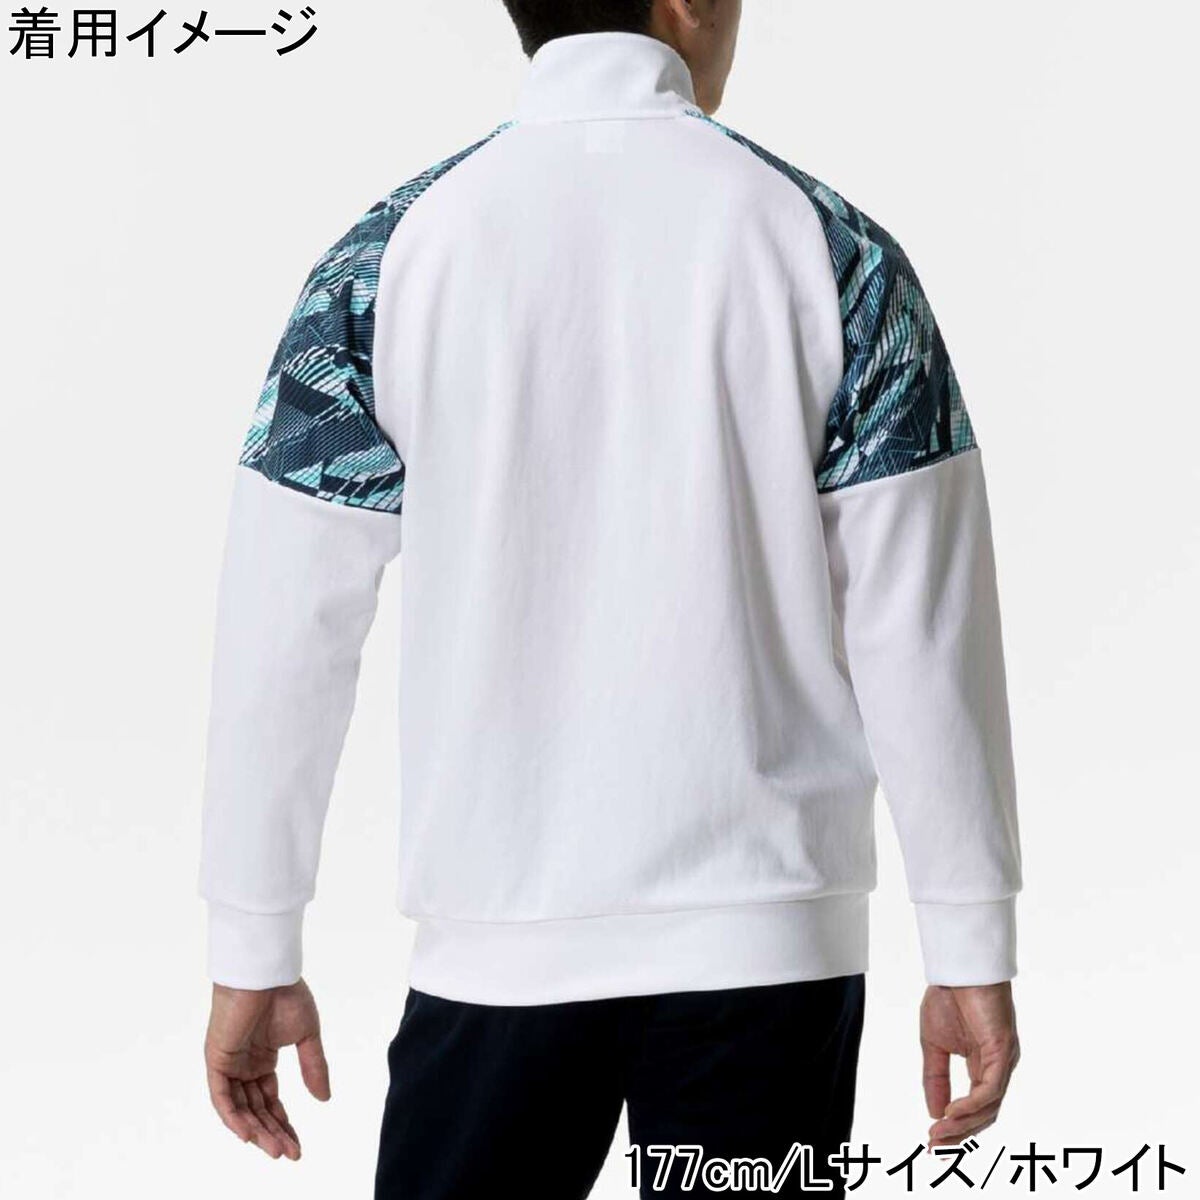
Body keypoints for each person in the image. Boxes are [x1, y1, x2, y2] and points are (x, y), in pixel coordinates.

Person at [198, 2, 1024, 1196]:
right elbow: (923, 627)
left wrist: (252, 940)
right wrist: (969, 939)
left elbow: (284, 631)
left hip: (496, 947)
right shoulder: (833, 251)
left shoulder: (388, 260)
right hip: (767, 946)